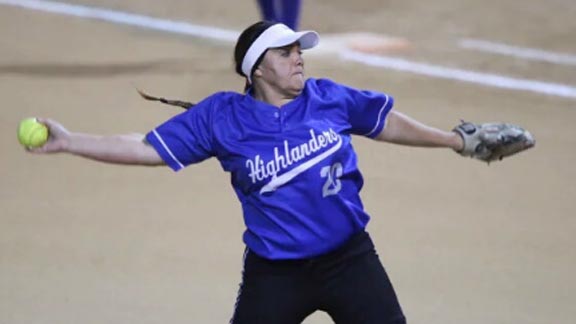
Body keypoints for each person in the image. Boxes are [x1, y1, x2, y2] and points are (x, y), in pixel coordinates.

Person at [26, 21, 533, 324]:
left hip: (351, 262)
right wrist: (72, 142)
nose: (299, 58)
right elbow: (146, 147)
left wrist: (455, 140)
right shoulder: (221, 117)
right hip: (276, 274)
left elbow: (383, 123)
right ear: (258, 69)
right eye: (286, 52)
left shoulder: (327, 97)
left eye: (300, 50)